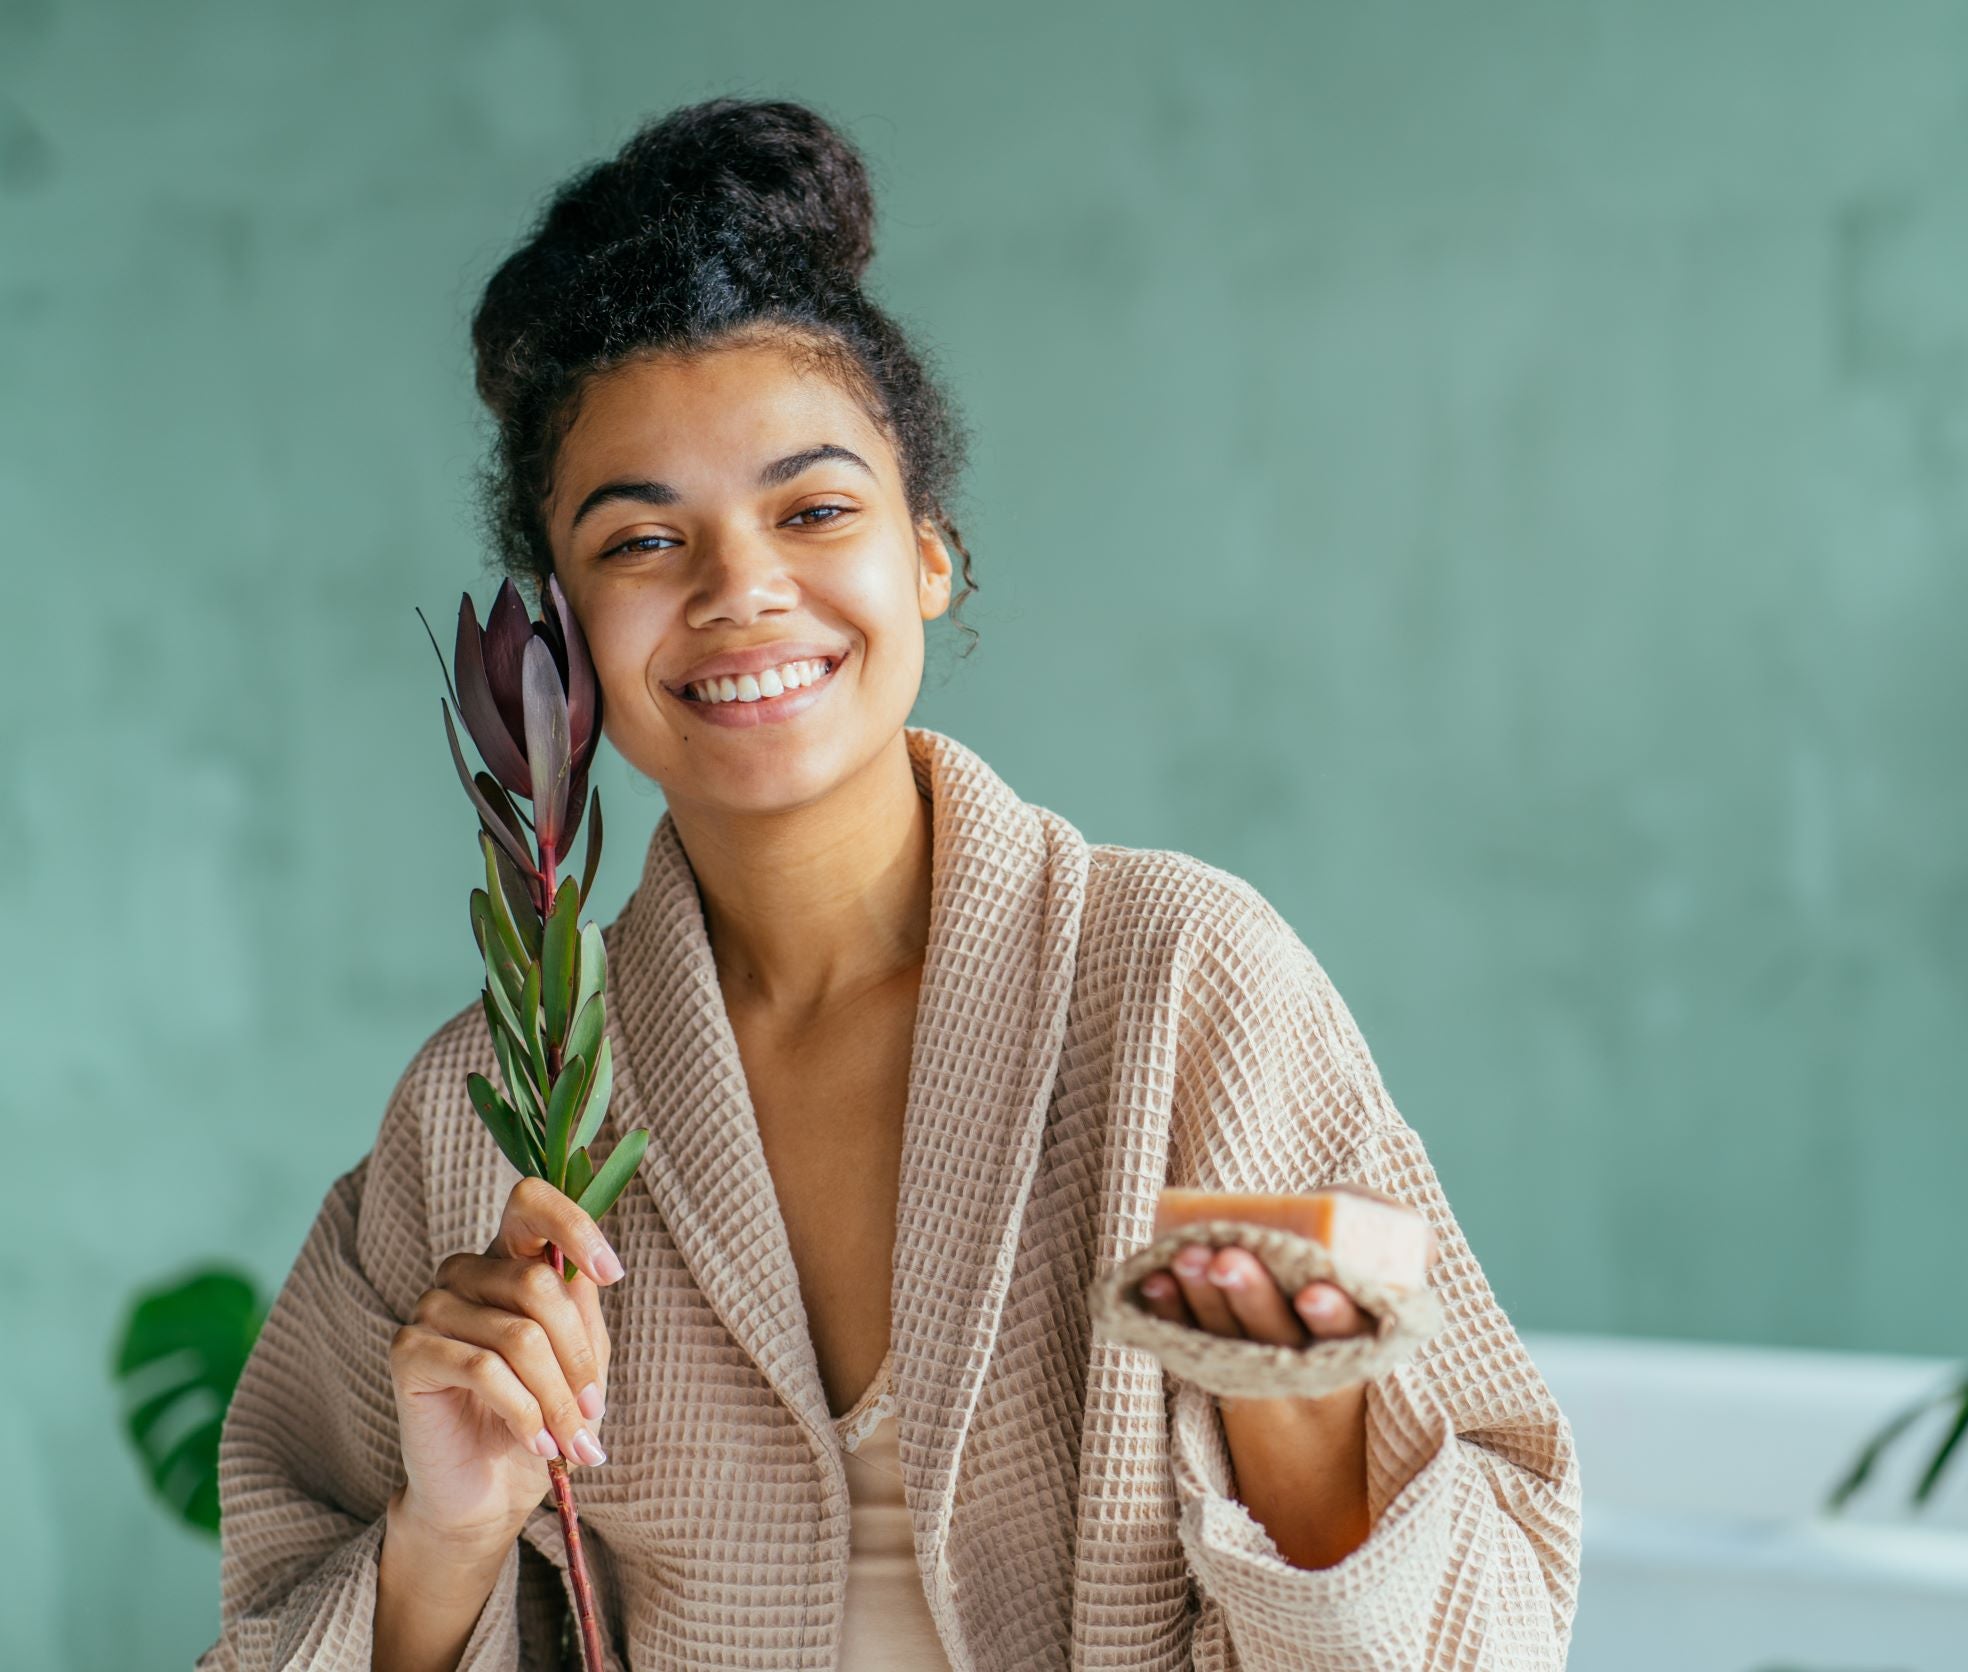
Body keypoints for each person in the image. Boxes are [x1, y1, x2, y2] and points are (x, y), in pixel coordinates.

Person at [197, 95, 1580, 1672]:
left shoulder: (1182, 991)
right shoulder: (475, 1124)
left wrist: (1309, 1424)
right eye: (643, 541)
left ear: (931, 553)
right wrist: (447, 1536)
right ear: (564, 635)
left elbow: (1490, 1633)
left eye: (816, 511)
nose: (741, 590)